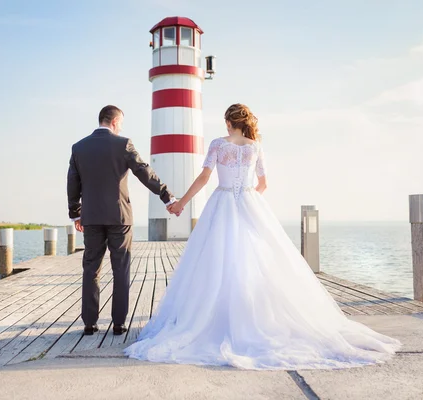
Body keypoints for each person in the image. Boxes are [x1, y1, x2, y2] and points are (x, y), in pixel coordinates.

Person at [124, 103, 401, 369]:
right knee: (255, 262)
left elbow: (205, 179)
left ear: (229, 122)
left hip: (220, 205)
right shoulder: (256, 147)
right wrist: (248, 201)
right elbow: (264, 184)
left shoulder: (218, 145)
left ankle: (213, 318)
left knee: (215, 262)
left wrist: (182, 202)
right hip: (250, 204)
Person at [67, 105, 177, 336]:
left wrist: (76, 213)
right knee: (121, 269)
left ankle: (89, 323)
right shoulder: (123, 144)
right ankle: (119, 323)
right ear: (115, 122)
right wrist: (166, 195)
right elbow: (143, 172)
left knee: (91, 268)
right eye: (122, 123)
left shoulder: (79, 147)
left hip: (92, 218)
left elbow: (73, 183)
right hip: (119, 216)